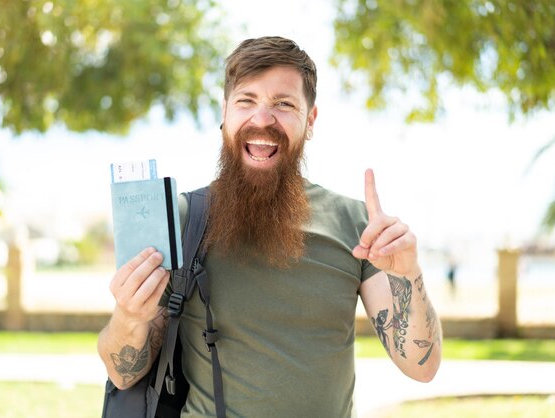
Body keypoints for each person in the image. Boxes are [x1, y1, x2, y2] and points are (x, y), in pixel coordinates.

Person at [98, 36, 442, 417]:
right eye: (246, 101)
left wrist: (409, 275)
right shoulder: (181, 220)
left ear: (310, 121)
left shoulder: (356, 224)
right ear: (224, 112)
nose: (262, 119)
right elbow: (123, 372)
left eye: (284, 104)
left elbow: (421, 366)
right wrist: (129, 316)